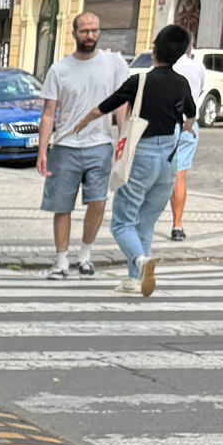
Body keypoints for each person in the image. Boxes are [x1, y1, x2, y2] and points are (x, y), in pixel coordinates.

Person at [94, 24, 198, 300]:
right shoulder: (182, 83)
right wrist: (185, 128)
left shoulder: (139, 80)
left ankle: (140, 261)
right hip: (168, 160)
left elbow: (105, 106)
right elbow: (191, 116)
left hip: (141, 156)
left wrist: (76, 125)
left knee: (122, 222)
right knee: (146, 223)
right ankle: (133, 280)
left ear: (154, 50)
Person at [35, 10, 121, 277]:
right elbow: (49, 113)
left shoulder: (114, 63)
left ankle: (85, 255)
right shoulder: (59, 70)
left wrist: (124, 140)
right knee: (62, 206)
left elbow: (123, 103)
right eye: (85, 31)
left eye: (95, 30)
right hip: (65, 146)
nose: (91, 36)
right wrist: (42, 150)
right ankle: (61, 260)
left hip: (101, 143)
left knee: (98, 202)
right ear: (74, 33)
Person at [167, 36, 207, 241]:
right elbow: (198, 92)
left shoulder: (167, 66)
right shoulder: (198, 67)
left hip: (166, 124)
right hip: (189, 125)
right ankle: (177, 225)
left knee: (159, 174)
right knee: (180, 175)